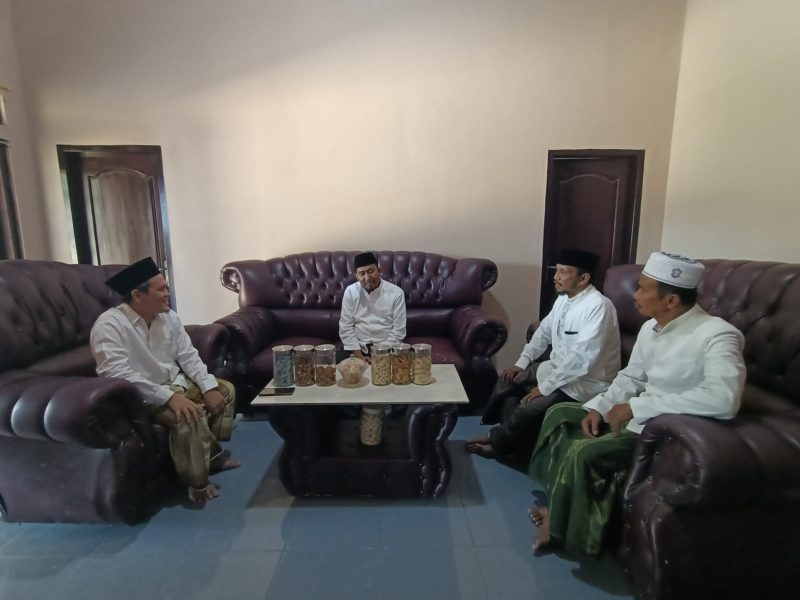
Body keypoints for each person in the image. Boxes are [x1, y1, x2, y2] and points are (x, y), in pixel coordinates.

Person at [528, 252, 746, 555]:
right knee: (559, 414)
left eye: (643, 288)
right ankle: (556, 501)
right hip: (635, 413)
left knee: (582, 450)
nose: (635, 295)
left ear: (670, 300)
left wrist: (635, 408)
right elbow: (632, 377)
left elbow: (724, 398)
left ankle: (566, 530)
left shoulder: (717, 335)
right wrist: (599, 407)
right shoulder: (650, 328)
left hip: (666, 429)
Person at [90, 257, 239, 506]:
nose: (167, 293)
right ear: (137, 295)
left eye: (166, 287)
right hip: (142, 397)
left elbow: (188, 355)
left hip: (176, 384)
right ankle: (197, 483)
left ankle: (210, 454)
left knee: (226, 391)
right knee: (189, 416)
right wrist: (169, 398)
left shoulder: (168, 318)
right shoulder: (109, 325)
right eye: (161, 289)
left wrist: (209, 386)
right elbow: (118, 375)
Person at [465, 249, 620, 461]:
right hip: (556, 369)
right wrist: (522, 363)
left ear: (583, 278)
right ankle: (505, 436)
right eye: (557, 271)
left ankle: (498, 444)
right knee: (509, 379)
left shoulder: (599, 307)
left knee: (530, 406)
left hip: (585, 381)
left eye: (564, 272)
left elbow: (581, 360)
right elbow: (543, 333)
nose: (556, 277)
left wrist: (545, 388)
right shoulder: (564, 299)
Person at [338, 251, 406, 361]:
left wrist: (379, 356)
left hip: (388, 348)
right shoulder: (350, 292)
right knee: (334, 369)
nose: (367, 277)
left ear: (379, 271)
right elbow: (345, 328)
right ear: (356, 276)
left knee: (408, 370)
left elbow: (398, 331)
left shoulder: (396, 293)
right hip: (358, 348)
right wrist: (359, 357)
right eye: (362, 274)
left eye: (371, 271)